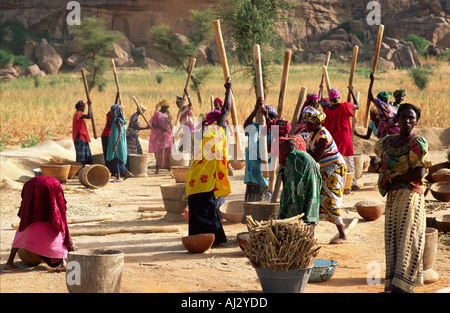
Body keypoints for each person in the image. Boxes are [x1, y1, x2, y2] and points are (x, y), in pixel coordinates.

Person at [373, 103, 431, 293]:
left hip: (409, 196)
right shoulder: (388, 142)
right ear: (396, 119)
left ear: (416, 121)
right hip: (393, 197)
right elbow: (379, 162)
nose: (407, 121)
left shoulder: (418, 143)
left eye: (411, 118)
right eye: (403, 117)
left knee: (408, 239)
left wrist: (394, 178)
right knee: (393, 240)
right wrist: (381, 173)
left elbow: (419, 173)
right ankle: (392, 284)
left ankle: (403, 285)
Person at [185, 78, 233, 246]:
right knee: (207, 212)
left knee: (200, 213)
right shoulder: (214, 132)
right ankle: (213, 240)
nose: (224, 123)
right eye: (222, 121)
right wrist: (229, 90)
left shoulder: (203, 134)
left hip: (195, 180)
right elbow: (226, 109)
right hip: (202, 181)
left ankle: (201, 240)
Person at [4, 176, 74, 271]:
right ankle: (62, 261)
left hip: (33, 193)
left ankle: (9, 262)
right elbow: (60, 205)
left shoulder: (30, 187)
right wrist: (71, 245)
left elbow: (24, 199)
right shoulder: (55, 217)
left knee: (22, 232)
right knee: (58, 227)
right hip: (50, 189)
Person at [304, 107, 349, 244]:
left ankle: (343, 235)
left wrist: (301, 149)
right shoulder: (314, 133)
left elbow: (315, 158)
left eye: (310, 123)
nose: (307, 125)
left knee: (331, 200)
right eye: (306, 122)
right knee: (318, 199)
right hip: (326, 169)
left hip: (334, 169)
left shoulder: (322, 136)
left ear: (317, 123)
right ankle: (309, 235)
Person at [321, 87, 359, 191]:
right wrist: (352, 92)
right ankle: (353, 183)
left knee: (336, 160)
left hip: (334, 139)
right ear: (339, 97)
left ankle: (338, 182)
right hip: (345, 137)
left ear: (330, 99)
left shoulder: (327, 111)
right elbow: (357, 106)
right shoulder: (345, 106)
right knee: (348, 160)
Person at [278, 139, 321, 224]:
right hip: (312, 187)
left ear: (290, 147)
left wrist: (286, 206)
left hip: (301, 190)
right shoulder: (305, 155)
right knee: (309, 203)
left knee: (293, 204)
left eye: (283, 149)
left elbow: (293, 184)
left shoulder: (293, 156)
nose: (282, 152)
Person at [242, 98, 272, 203]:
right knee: (250, 201)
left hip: (264, 173)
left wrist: (267, 118)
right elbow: (245, 125)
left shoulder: (272, 130)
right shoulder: (254, 127)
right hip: (252, 172)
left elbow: (277, 136)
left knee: (263, 201)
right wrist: (256, 109)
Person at [368, 73, 400, 138]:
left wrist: (372, 81)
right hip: (395, 131)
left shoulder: (382, 105)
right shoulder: (390, 107)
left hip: (388, 133)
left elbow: (370, 97)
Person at [106, 104, 133, 181]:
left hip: (118, 141)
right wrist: (110, 116)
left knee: (117, 159)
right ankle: (125, 173)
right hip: (114, 140)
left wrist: (116, 144)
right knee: (115, 159)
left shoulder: (119, 120)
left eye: (114, 111)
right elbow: (109, 125)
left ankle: (122, 175)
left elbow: (120, 133)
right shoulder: (115, 119)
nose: (112, 112)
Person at [148, 99, 173, 174]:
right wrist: (161, 127)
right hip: (159, 136)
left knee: (168, 151)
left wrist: (172, 131)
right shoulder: (157, 113)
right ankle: (157, 167)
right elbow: (153, 123)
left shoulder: (167, 113)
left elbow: (170, 123)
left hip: (167, 135)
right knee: (159, 152)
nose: (167, 109)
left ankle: (168, 167)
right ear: (163, 107)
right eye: (166, 107)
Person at [72, 100, 93, 166]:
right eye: (83, 107)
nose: (84, 109)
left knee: (87, 156)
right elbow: (89, 116)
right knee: (81, 157)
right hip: (80, 138)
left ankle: (83, 171)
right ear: (80, 107)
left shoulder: (79, 114)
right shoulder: (78, 113)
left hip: (83, 137)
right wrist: (89, 105)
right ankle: (79, 171)